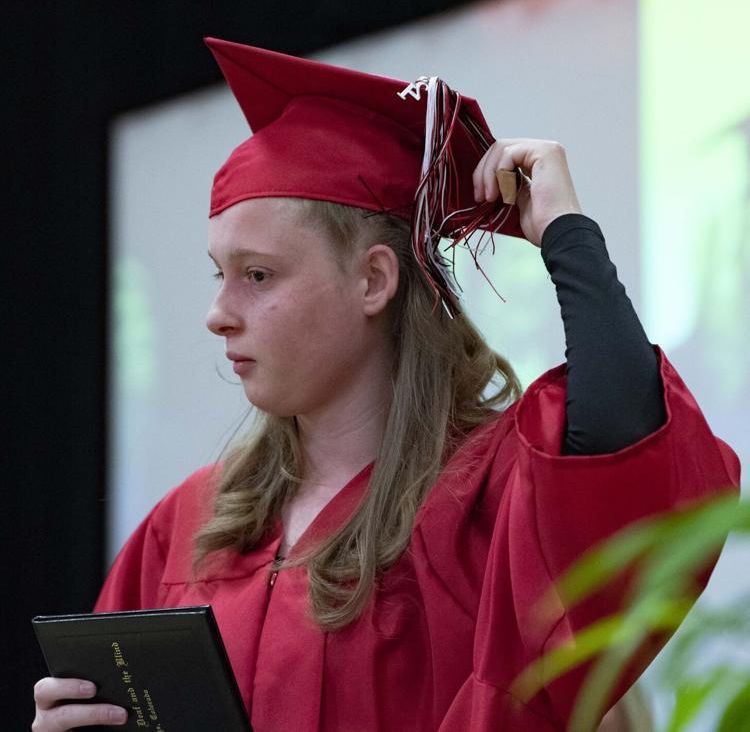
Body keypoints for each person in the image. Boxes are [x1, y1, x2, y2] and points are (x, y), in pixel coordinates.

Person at [32, 38, 740, 732]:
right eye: (221, 274)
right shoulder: (186, 527)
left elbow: (626, 451)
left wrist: (566, 231)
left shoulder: (486, 505)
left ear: (373, 279)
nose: (218, 314)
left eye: (257, 275)